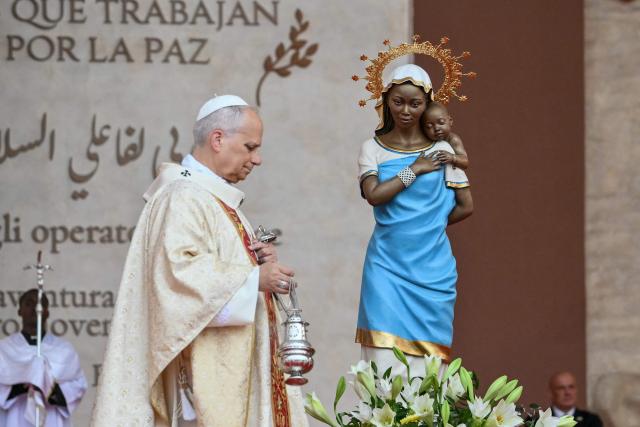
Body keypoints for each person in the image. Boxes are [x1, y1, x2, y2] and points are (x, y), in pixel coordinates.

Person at [91, 95, 309, 427]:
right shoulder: (182, 197)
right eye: (250, 147)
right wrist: (254, 280)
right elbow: (179, 279)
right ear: (218, 139)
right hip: (204, 378)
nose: (258, 159)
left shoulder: (212, 198)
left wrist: (258, 265)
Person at [356, 64, 473, 373]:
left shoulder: (443, 150)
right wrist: (415, 170)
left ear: (427, 105)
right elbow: (374, 194)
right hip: (386, 266)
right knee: (383, 363)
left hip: (431, 268)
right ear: (386, 101)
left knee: (430, 370)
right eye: (398, 101)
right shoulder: (373, 149)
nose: (406, 110)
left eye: (415, 103)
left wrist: (425, 227)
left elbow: (465, 205)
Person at [0, 289, 88, 426]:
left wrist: (52, 392)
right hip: (15, 417)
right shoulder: (4, 349)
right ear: (19, 311)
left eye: (40, 304)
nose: (36, 308)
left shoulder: (64, 350)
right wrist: (20, 387)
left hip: (51, 417)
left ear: (47, 312)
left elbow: (78, 385)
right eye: (29, 303)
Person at [422, 101, 469, 171]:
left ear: (450, 121)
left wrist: (453, 158)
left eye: (441, 123)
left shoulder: (453, 139)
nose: (436, 128)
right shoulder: (424, 140)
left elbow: (465, 162)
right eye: (429, 126)